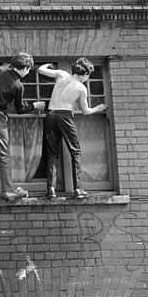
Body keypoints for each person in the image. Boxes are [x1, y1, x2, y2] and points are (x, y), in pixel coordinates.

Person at [0, 52, 45, 202]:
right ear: (24, 67)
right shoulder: (18, 86)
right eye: (29, 69)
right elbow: (20, 109)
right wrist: (34, 105)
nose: (28, 72)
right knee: (4, 154)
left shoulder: (1, 72)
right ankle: (9, 190)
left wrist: (0, 67)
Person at [38, 58, 108, 200]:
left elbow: (40, 70)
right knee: (75, 151)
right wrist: (99, 108)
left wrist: (47, 64)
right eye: (88, 75)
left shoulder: (62, 75)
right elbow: (86, 111)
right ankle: (78, 188)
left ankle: (51, 189)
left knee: (52, 154)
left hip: (51, 115)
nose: (87, 78)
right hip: (65, 116)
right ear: (85, 73)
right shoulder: (81, 88)